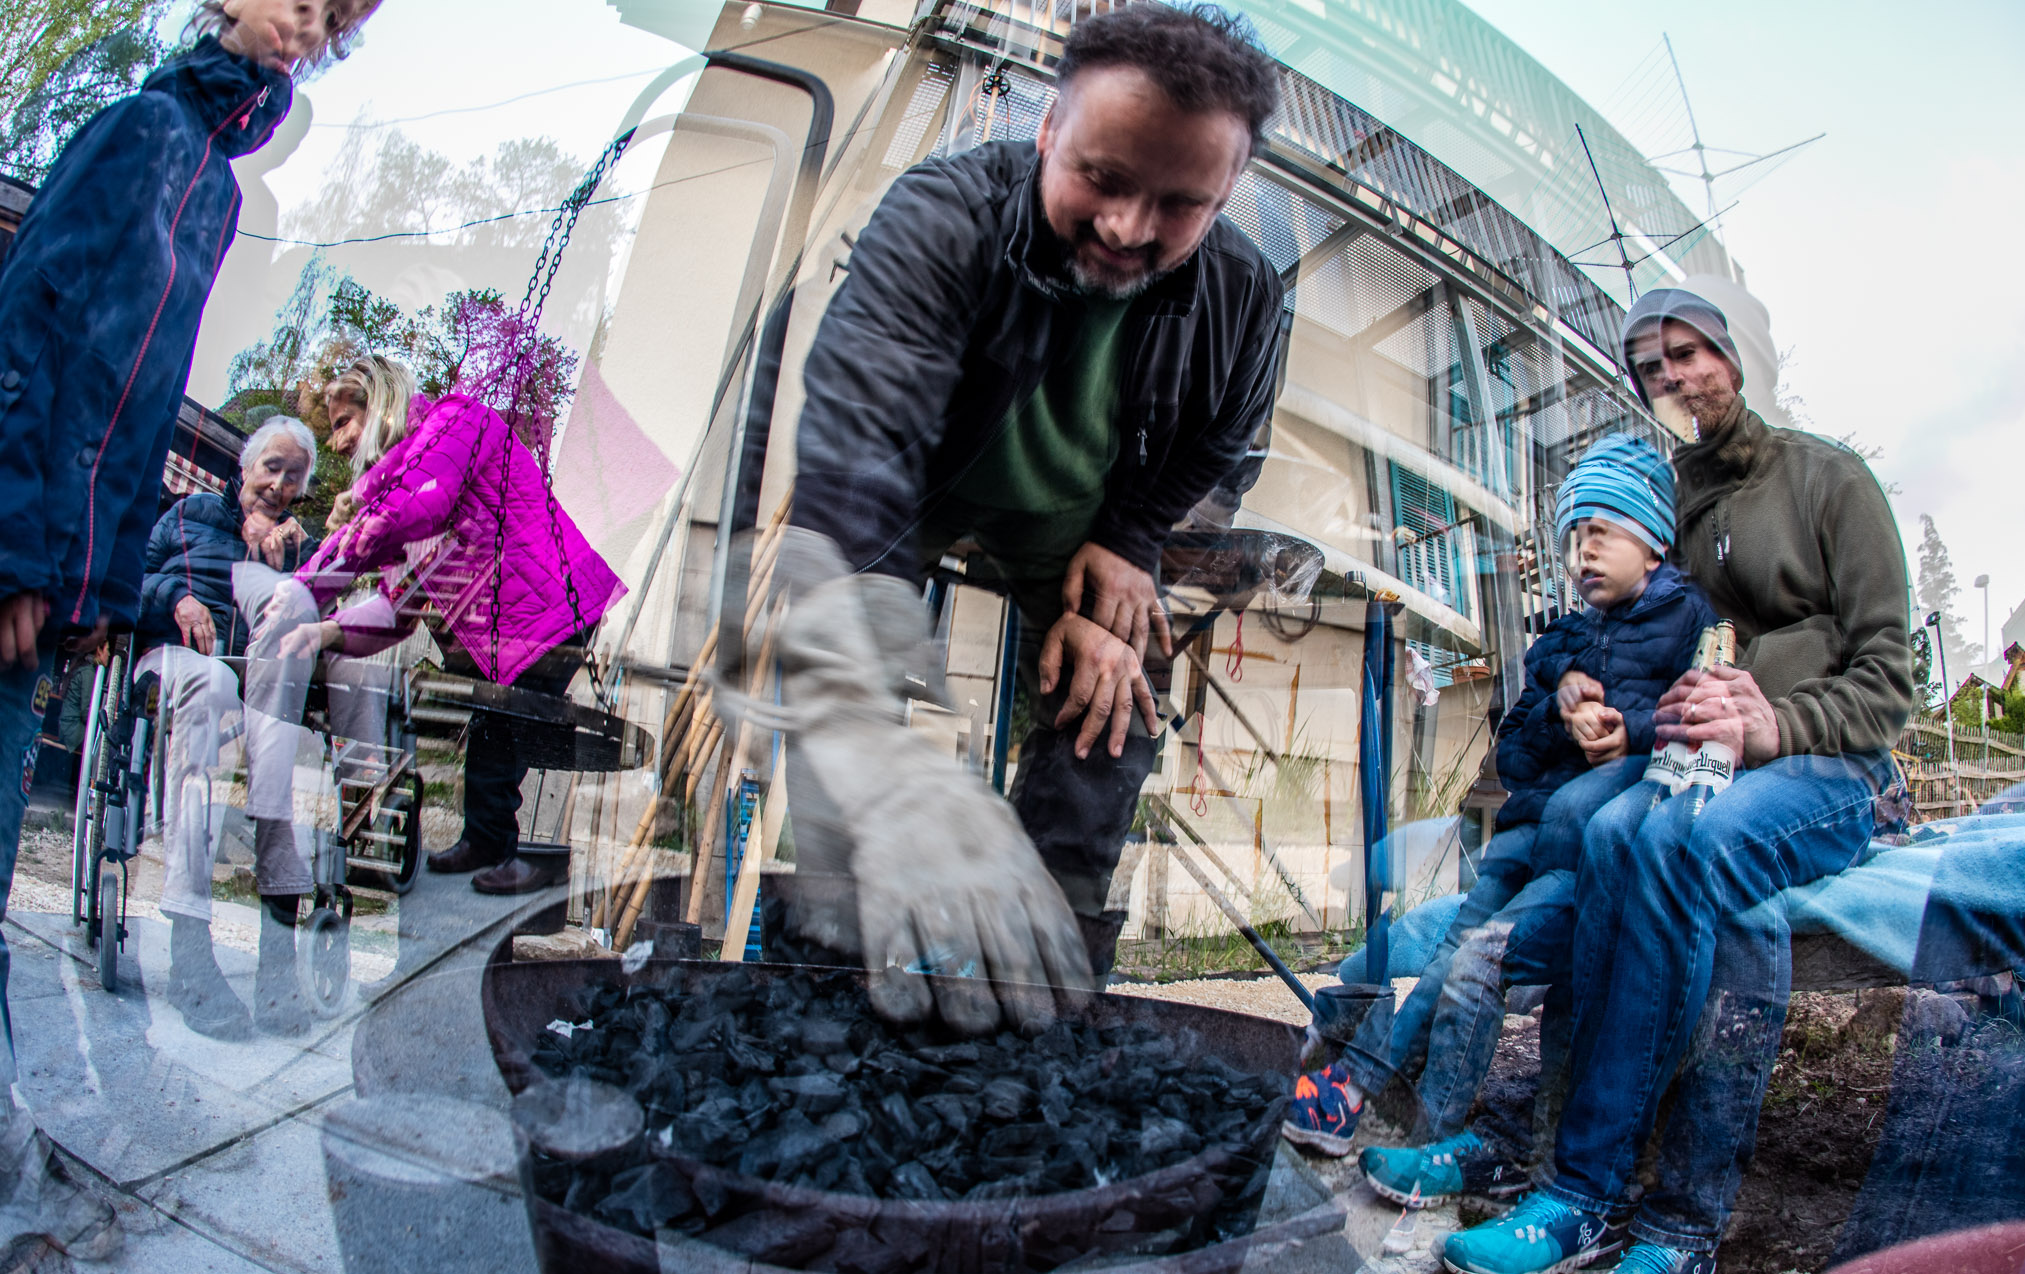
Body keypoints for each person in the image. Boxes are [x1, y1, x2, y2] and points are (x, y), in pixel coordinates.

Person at [749, 2, 1286, 1030]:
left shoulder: (1244, 296)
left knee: (1119, 694)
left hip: (1080, 519)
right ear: (1047, 130)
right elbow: (860, 459)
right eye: (1101, 176)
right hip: (914, 480)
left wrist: (1129, 541)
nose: (1127, 227)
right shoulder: (940, 219)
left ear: (1225, 195)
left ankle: (1036, 983)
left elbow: (1223, 442)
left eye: (1180, 203)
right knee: (838, 666)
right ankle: (827, 978)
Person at [1439, 288, 1914, 1274]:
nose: (1677, 378)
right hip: (1694, 757)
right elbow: (1630, 637)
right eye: (1653, 368)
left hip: (1826, 762)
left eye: (1692, 352)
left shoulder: (1827, 479)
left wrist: (1777, 723)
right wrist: (1590, 701)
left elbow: (1890, 679)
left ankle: (1670, 1224)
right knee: (1610, 834)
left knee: (1681, 850)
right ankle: (1572, 1181)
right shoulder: (1675, 506)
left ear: (1734, 357)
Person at [0, 0, 380, 1274]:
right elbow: (32, 332)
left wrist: (99, 588)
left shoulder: (210, 185)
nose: (316, 30)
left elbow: (139, 400)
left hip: (71, 582)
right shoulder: (146, 133)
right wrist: (24, 551)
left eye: (342, 19)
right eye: (305, 2)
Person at [1284, 436, 1717, 1195]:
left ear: (1653, 540)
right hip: (1523, 832)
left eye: (1602, 532)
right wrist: (1560, 707)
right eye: (1573, 537)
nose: (1582, 552)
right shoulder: (1564, 639)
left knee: (1469, 962)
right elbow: (1511, 751)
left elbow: (1698, 721)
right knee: (1445, 953)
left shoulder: (1689, 623)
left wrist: (1631, 730)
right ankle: (1368, 1094)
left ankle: (1397, 1113)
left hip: (1583, 844)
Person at [270, 356, 625, 895]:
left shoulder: (455, 422)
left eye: (344, 423)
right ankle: (486, 842)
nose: (339, 443)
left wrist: (319, 567)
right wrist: (322, 622)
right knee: (489, 727)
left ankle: (519, 858)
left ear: (379, 403)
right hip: (512, 622)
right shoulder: (403, 481)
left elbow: (410, 510)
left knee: (506, 725)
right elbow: (396, 604)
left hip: (549, 605)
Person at [133, 415, 322, 1040]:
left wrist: (302, 564)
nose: (278, 484)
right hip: (180, 664)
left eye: (293, 477)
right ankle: (189, 953)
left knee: (287, 751)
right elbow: (131, 578)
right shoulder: (187, 516)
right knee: (214, 684)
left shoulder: (298, 543)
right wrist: (176, 598)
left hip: (257, 685)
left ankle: (276, 961)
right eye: (272, 467)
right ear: (245, 465)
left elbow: (328, 616)